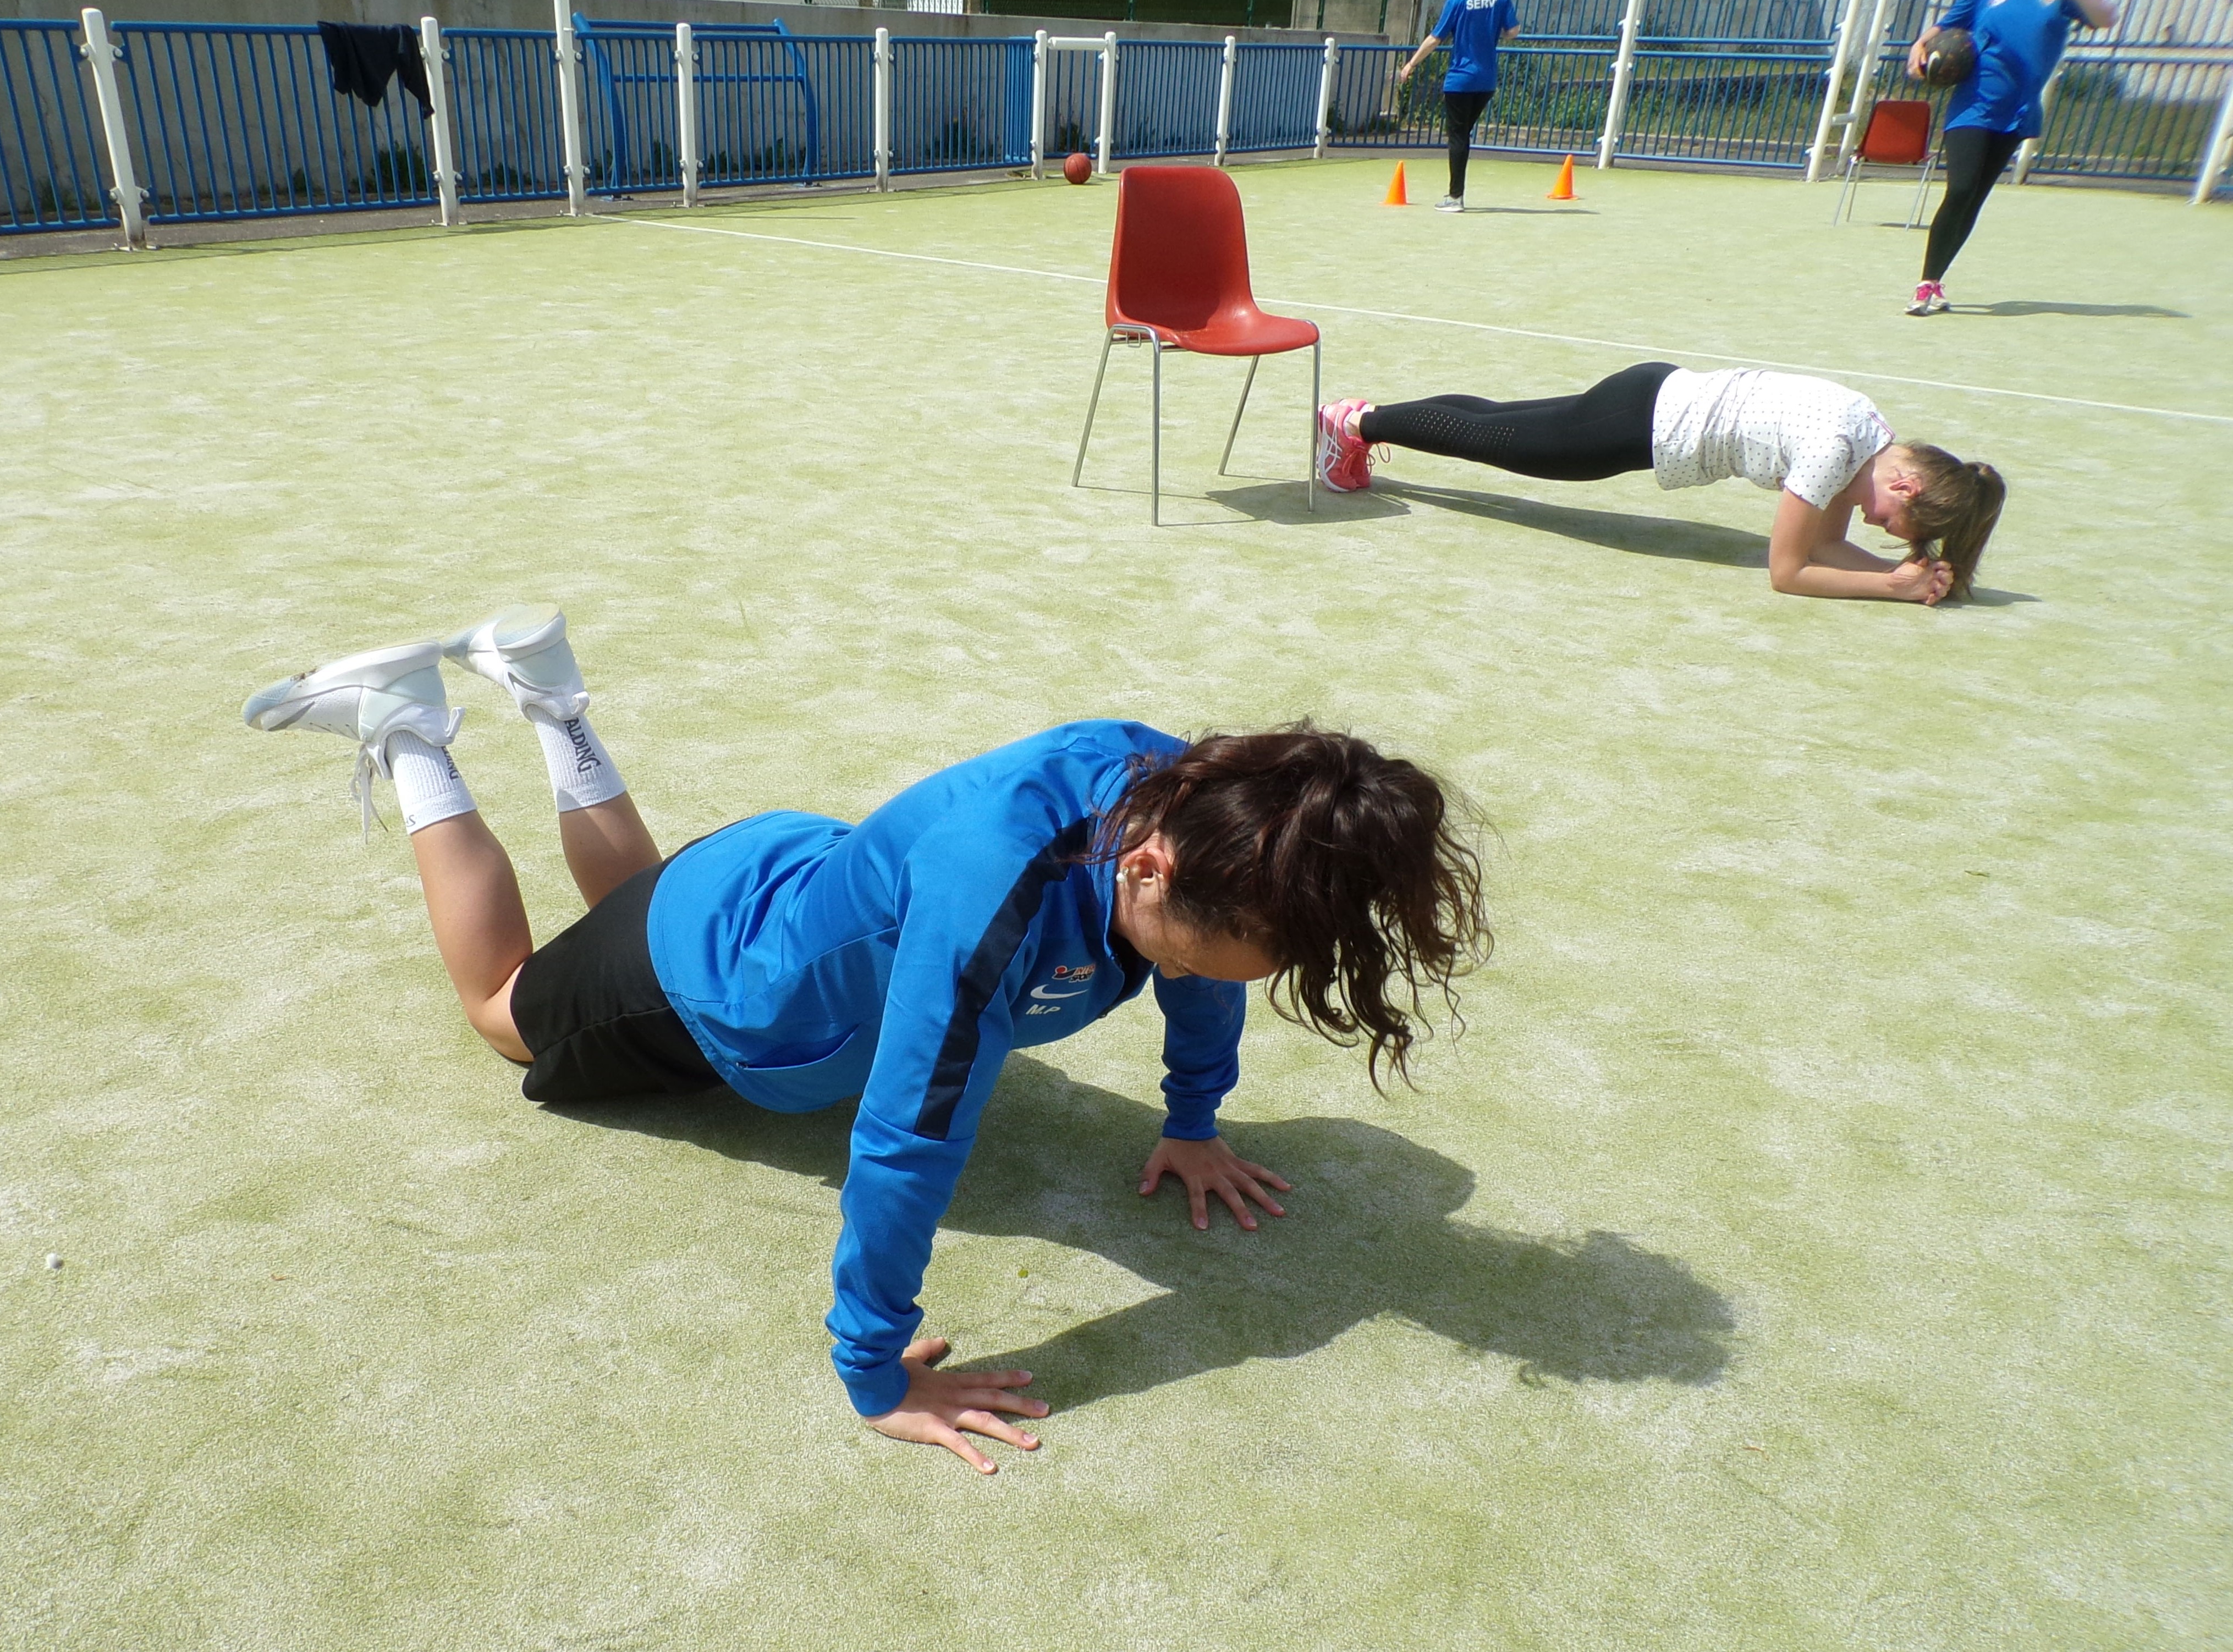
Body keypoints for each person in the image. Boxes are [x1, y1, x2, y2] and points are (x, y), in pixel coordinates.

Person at [243, 607, 1492, 1473]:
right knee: (504, 1002)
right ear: (1152, 868)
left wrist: (1194, 1117)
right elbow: (905, 1140)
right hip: (711, 987)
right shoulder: (992, 909)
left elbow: (1194, 966)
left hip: (775, 875)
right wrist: (876, 1368)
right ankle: (406, 728)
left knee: (632, 901)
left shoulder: (1191, 798)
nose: (1235, 976)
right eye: (1241, 950)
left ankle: (544, 688)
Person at [1317, 363, 2005, 603]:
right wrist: (1890, 586)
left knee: (1498, 423)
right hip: (1639, 426)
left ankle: (1364, 419)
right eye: (1892, 525)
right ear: (1907, 486)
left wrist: (1910, 574)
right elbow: (1790, 570)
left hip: (1652, 398)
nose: (1879, 529)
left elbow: (1826, 548)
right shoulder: (1834, 453)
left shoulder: (1867, 430)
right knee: (1496, 439)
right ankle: (1356, 424)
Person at [1903, 0, 2118, 316]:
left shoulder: (2063, 0)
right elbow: (1946, 25)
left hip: (2017, 112)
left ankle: (1936, 281)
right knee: (1961, 189)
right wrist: (1920, 45)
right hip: (1973, 104)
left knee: (1974, 199)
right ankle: (1925, 283)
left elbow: (2106, 18)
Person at [1396, 0, 1520, 213]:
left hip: (1460, 80)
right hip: (1486, 81)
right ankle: (1456, 194)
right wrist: (1493, 31)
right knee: (1463, 135)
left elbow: (1435, 38)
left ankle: (1455, 197)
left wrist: (1411, 64)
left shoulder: (1457, 1)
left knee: (1458, 137)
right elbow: (1513, 31)